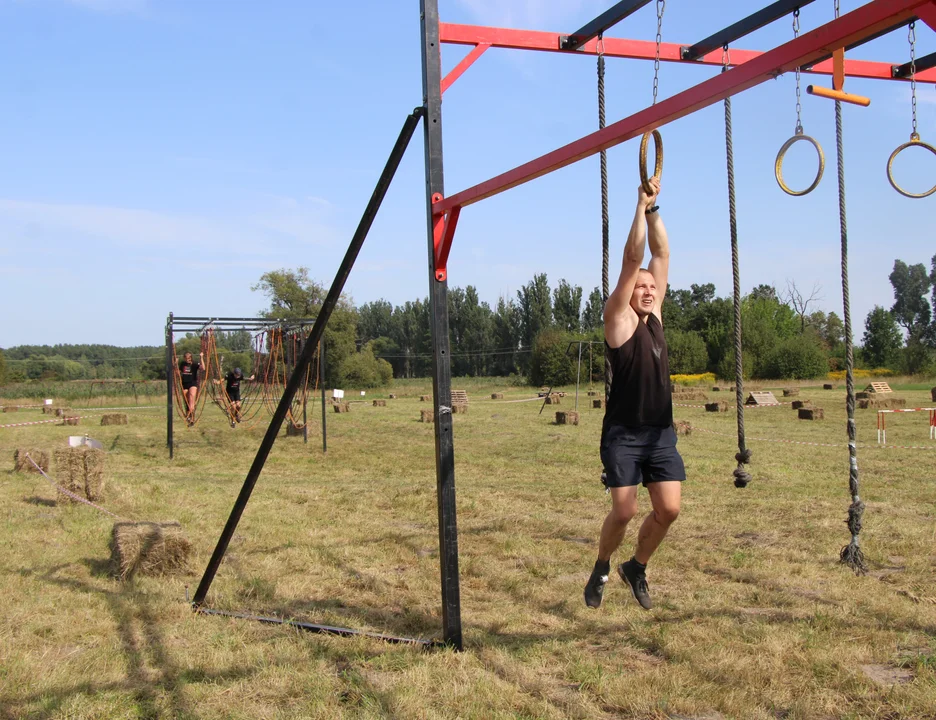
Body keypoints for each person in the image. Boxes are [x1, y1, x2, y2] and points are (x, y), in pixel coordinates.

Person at [583, 176, 685, 611]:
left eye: (651, 287)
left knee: (669, 510)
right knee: (623, 511)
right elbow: (636, 256)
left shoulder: (655, 316)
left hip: (660, 433)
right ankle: (602, 566)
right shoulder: (618, 320)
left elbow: (661, 253)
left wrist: (655, 208)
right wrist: (638, 205)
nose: (647, 290)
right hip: (623, 434)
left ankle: (636, 567)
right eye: (640, 287)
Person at [178, 350, 204, 426]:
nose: (188, 360)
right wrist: (175, 363)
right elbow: (178, 372)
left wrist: (201, 358)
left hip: (193, 383)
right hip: (184, 384)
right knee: (187, 401)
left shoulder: (194, 364)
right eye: (186, 358)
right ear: (184, 358)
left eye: (189, 358)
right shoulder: (182, 364)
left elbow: (203, 368)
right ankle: (189, 415)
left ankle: (191, 418)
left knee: (192, 399)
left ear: (191, 358)